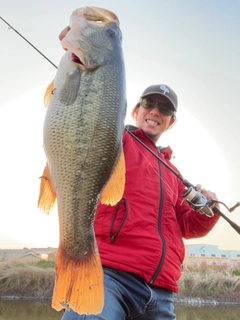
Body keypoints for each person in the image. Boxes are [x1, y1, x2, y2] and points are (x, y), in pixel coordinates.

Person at [60, 81, 220, 320]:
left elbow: (185, 226)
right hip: (107, 276)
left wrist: (209, 210)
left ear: (171, 121)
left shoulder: (173, 172)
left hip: (161, 293)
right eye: (149, 103)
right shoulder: (115, 139)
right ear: (136, 110)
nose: (155, 111)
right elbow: (87, 118)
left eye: (164, 109)